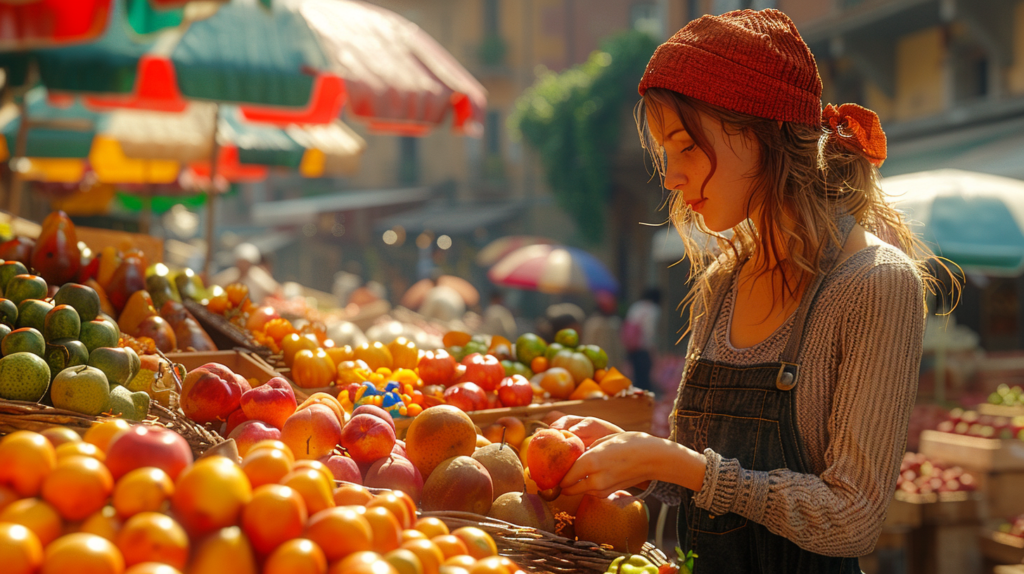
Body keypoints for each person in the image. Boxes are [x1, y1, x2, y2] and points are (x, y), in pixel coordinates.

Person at [555, 10, 950, 573]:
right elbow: (709, 478)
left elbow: (854, 516)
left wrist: (682, 464)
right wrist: (643, 463)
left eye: (686, 146)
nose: (670, 177)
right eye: (664, 153)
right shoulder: (725, 277)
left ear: (760, 132)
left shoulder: (874, 283)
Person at [211, 242, 280, 304]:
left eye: (245, 262)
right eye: (240, 262)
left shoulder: (258, 276)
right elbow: (214, 285)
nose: (242, 265)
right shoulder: (230, 274)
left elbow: (275, 290)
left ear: (251, 263)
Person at [622, 287, 661, 392]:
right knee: (644, 379)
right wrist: (653, 352)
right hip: (643, 349)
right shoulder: (653, 309)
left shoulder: (636, 306)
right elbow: (650, 333)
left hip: (631, 347)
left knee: (635, 377)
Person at [582, 290, 625, 372]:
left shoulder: (615, 322)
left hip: (614, 367)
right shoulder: (593, 323)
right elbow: (587, 345)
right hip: (598, 368)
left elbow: (619, 348)